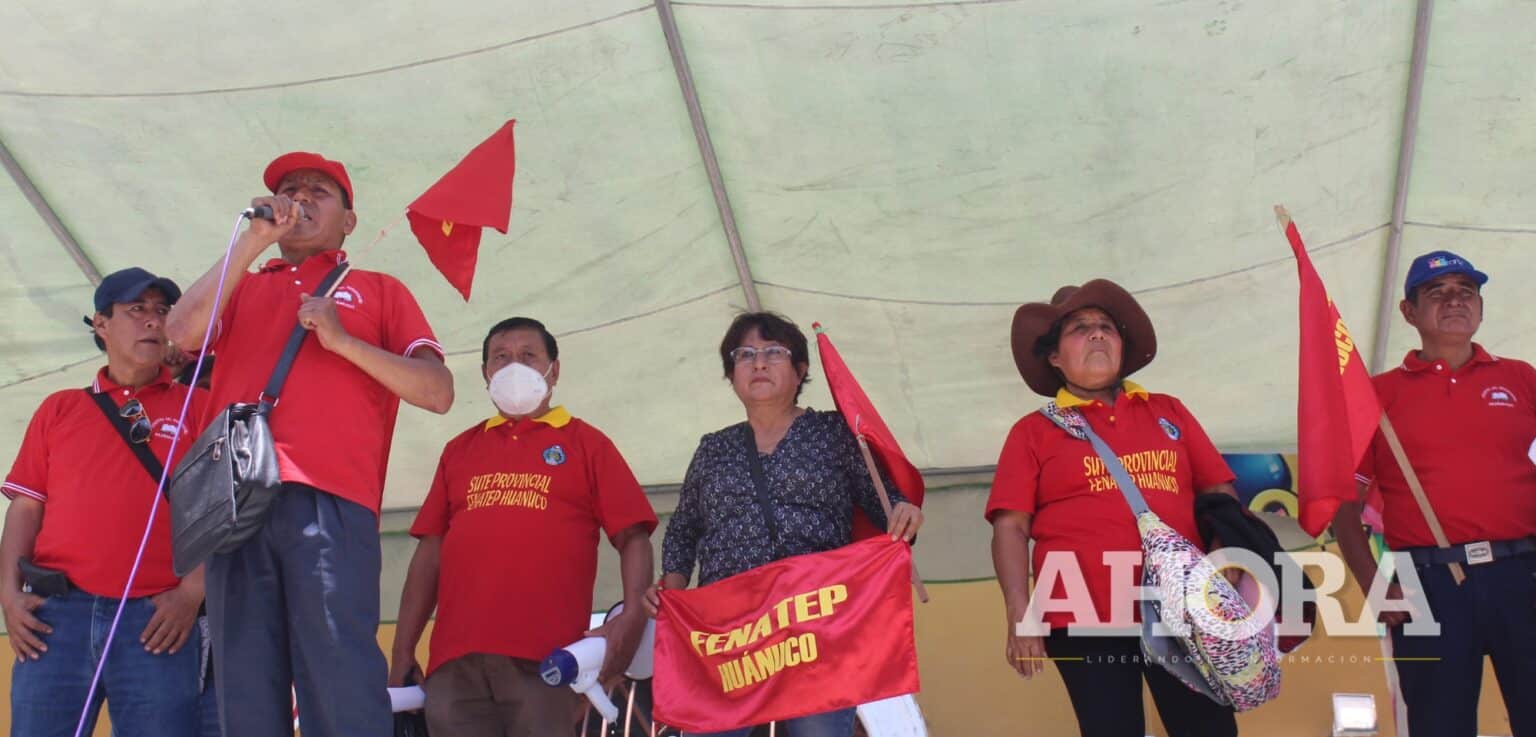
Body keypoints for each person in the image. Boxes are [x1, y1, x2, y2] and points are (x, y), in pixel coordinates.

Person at [164, 152, 455, 737]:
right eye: (289, 189)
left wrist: (343, 342)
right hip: (235, 503)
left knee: (339, 679)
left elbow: (438, 390)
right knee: (244, 685)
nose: (300, 198)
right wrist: (253, 241)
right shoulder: (241, 287)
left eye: (319, 191)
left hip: (330, 501)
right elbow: (178, 333)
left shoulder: (377, 288)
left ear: (349, 220)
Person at [645, 311, 924, 737]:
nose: (758, 363)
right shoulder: (713, 449)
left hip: (816, 620)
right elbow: (684, 530)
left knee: (818, 731)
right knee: (715, 730)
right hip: (731, 630)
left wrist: (906, 511)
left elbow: (885, 503)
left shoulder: (832, 433)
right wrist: (672, 589)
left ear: (801, 371)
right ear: (731, 373)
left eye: (774, 352)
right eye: (745, 355)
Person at [986, 279, 1240, 737]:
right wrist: (1020, 614)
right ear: (1055, 357)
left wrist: (1225, 571)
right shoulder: (1032, 432)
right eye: (1080, 328)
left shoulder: (1169, 411)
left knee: (1210, 730)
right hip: (1081, 610)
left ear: (1123, 346)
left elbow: (1220, 495)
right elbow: (1010, 527)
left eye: (1106, 326)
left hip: (1180, 605)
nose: (1098, 334)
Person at [389, 317, 658, 737]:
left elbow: (634, 538)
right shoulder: (459, 450)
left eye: (529, 355)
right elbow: (430, 554)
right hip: (453, 665)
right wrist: (402, 651)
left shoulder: (587, 444)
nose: (514, 365)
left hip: (547, 661)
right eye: (501, 357)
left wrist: (630, 622)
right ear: (485, 374)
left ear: (554, 369)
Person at [1333, 251, 1536, 737]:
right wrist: (1375, 586)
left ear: (1481, 307)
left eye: (1466, 292)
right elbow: (1344, 507)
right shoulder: (1374, 395)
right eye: (1437, 293)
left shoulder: (1523, 379)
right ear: (1408, 311)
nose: (1454, 302)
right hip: (1423, 583)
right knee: (1438, 725)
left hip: (1523, 575)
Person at [2, 268, 208, 737]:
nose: (154, 321)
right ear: (101, 324)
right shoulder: (59, 409)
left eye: (162, 311)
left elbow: (226, 511)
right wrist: (9, 597)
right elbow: (25, 509)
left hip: (157, 618)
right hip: (55, 617)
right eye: (137, 309)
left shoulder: (198, 407)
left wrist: (193, 593)